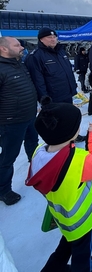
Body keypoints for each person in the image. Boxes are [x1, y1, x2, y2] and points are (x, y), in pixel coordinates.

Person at [26, 97, 92, 272]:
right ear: (71, 133)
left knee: (65, 247)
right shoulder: (79, 160)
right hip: (84, 220)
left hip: (63, 218)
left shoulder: (38, 153)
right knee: (82, 254)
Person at [0, 37, 38, 206]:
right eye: (17, 45)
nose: (21, 47)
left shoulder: (18, 63)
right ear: (4, 49)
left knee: (33, 145)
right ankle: (3, 190)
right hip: (11, 122)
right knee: (9, 156)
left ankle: (36, 170)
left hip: (29, 116)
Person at [25, 27, 77, 104]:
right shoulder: (35, 56)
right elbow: (37, 80)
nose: (53, 39)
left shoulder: (61, 52)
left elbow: (68, 71)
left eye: (54, 37)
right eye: (49, 37)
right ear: (41, 39)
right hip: (53, 98)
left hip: (67, 94)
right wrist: (44, 98)